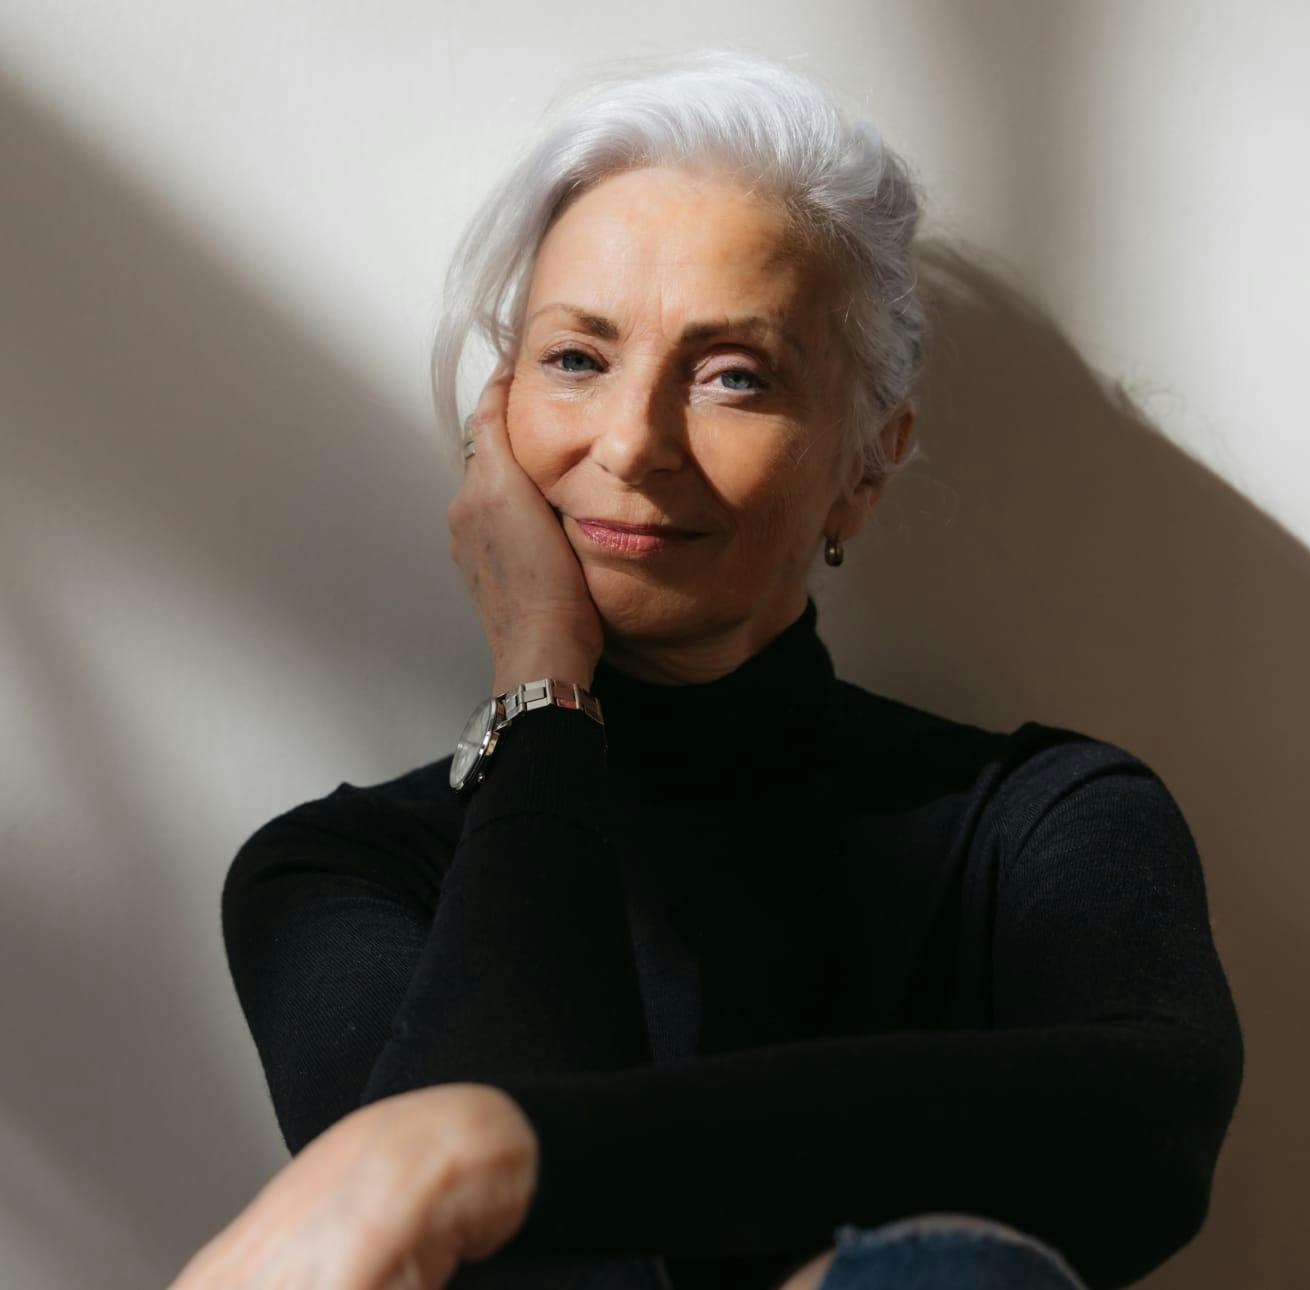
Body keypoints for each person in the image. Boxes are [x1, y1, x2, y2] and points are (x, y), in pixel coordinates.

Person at [186, 49, 1243, 1290]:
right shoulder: (339, 874)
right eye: (577, 358)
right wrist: (542, 684)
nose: (631, 444)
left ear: (866, 458)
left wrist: (482, 1145)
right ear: (498, 413)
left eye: (732, 374)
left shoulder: (1044, 823)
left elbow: (1137, 1146)